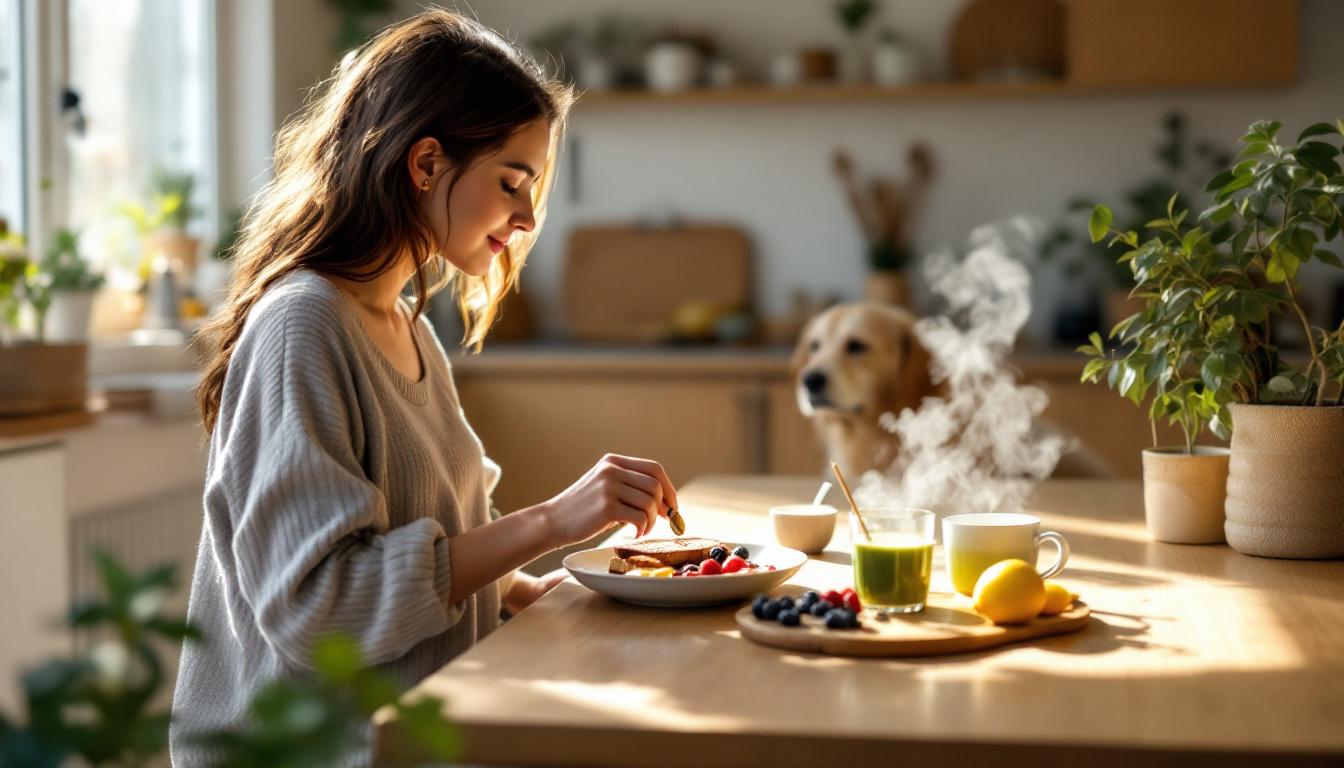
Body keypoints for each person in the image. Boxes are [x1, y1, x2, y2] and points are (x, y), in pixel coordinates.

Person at [170, 10, 678, 765]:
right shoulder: (302, 327)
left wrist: (528, 595)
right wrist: (550, 523)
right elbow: (322, 611)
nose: (528, 216)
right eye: (512, 182)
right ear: (427, 164)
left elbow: (441, 524)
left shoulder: (411, 329)